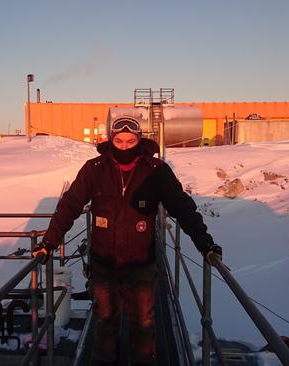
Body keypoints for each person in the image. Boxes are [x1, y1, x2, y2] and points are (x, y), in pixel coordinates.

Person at [34, 116, 222, 366]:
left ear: (139, 140)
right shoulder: (95, 169)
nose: (124, 146)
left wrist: (205, 244)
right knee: (105, 321)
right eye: (119, 140)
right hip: (103, 263)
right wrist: (49, 243)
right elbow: (69, 206)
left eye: (130, 141)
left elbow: (183, 209)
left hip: (141, 263)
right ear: (111, 139)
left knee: (143, 323)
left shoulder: (156, 171)